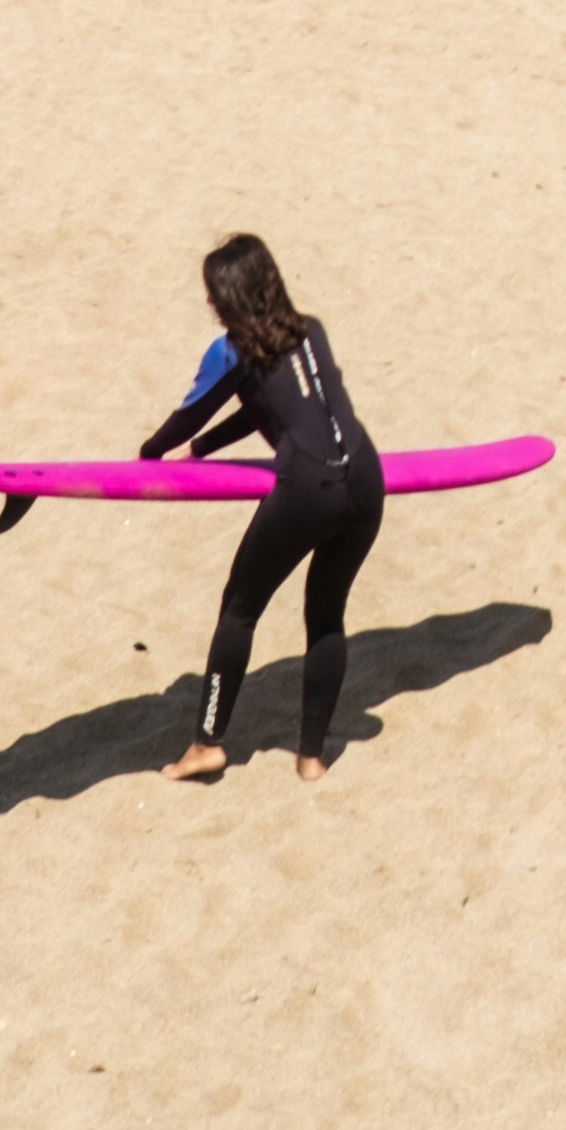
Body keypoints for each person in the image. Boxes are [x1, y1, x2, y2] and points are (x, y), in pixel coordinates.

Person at [146, 233, 384, 787]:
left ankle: (206, 745)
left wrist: (149, 457)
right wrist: (204, 451)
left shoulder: (231, 351)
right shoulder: (311, 330)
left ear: (228, 298)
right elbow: (268, 407)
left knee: (241, 607)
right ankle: (311, 758)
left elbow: (188, 416)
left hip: (307, 488)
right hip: (368, 480)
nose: (210, 305)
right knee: (325, 613)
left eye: (213, 295)